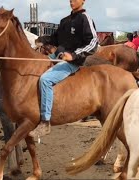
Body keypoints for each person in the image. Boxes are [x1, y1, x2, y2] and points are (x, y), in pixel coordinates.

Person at [29, 0, 98, 137]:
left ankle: (45, 122)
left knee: (45, 80)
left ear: (83, 1)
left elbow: (93, 42)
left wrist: (73, 55)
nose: (72, 2)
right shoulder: (64, 20)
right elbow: (55, 39)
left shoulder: (85, 19)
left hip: (73, 62)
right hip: (57, 56)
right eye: (70, 0)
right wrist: (42, 39)